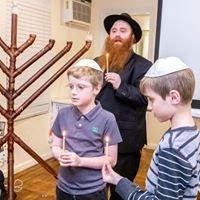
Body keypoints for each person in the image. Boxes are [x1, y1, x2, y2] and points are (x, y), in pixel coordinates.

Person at [102, 57, 200, 200]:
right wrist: (118, 180)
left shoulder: (172, 148)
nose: (148, 106)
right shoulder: (191, 133)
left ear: (174, 97)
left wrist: (124, 187)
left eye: (152, 99)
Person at [95, 13, 152, 200]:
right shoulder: (97, 63)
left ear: (132, 38)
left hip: (125, 144)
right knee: (95, 189)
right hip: (96, 140)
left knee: (120, 192)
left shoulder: (144, 66)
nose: (117, 34)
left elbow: (146, 99)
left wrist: (122, 86)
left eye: (123, 30)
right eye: (113, 31)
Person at [51, 59, 122, 200]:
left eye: (80, 87)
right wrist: (61, 155)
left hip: (92, 191)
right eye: (71, 86)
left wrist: (80, 161)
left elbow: (112, 160)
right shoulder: (63, 114)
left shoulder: (107, 119)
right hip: (64, 187)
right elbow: (55, 147)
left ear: (97, 88)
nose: (73, 92)